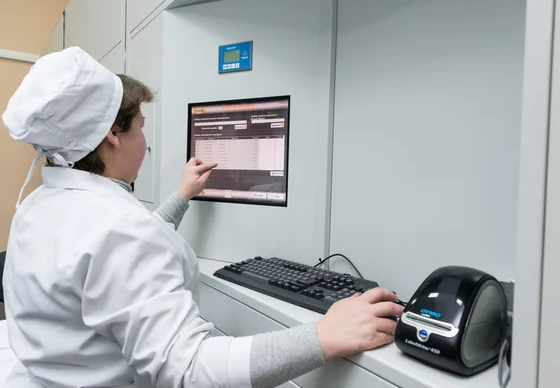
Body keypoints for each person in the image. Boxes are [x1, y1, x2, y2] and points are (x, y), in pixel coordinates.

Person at [1, 47, 403, 388]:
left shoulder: (37, 207)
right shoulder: (118, 228)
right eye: (140, 126)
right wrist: (325, 335)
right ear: (112, 136)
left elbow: (106, 264)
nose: (146, 139)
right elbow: (189, 368)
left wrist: (180, 197)